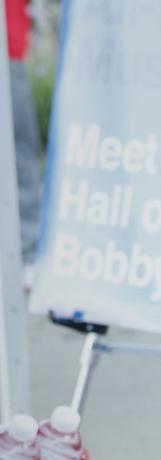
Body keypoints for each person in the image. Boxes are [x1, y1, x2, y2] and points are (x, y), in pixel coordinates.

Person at [5, 0, 41, 269]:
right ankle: (27, 253)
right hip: (9, 55)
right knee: (22, 155)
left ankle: (26, 253)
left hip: (10, 53)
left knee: (21, 155)